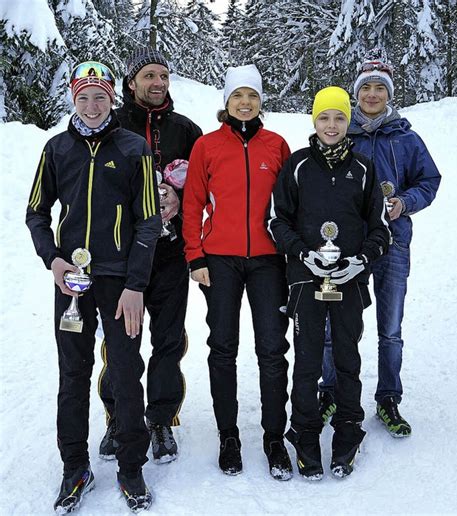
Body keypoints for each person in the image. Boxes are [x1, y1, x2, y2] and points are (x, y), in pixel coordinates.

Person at [26, 61, 161, 513]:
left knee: (125, 373)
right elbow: (37, 213)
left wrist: (136, 283)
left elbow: (149, 219)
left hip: (120, 282)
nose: (91, 105)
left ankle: (130, 467)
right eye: (83, 96)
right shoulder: (56, 148)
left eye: (99, 96)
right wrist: (54, 259)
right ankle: (74, 466)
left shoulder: (133, 148)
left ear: (111, 98)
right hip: (73, 282)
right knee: (73, 374)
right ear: (73, 99)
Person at [268, 86, 391, 479]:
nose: (332, 125)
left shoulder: (364, 168)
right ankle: (304, 434)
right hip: (306, 279)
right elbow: (277, 221)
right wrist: (304, 254)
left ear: (348, 121)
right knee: (305, 359)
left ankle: (348, 429)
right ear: (314, 121)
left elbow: (381, 228)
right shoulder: (299, 165)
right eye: (325, 117)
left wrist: (359, 261)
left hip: (349, 279)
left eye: (339, 117)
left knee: (346, 356)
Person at [319, 51, 441, 437]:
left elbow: (429, 181)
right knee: (335, 324)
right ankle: (332, 391)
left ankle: (388, 397)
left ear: (389, 94)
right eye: (366, 88)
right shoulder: (342, 132)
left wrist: (404, 202)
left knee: (390, 327)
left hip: (393, 245)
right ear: (356, 93)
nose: (372, 95)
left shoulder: (405, 138)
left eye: (380, 88)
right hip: (349, 247)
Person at [182, 65, 292, 480]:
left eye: (252, 96)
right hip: (220, 262)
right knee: (223, 349)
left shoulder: (277, 145)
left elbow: (290, 205)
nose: (245, 102)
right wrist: (196, 256)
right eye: (237, 96)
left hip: (267, 261)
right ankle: (228, 435)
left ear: (262, 102)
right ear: (226, 103)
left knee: (272, 349)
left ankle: (274, 436)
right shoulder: (207, 147)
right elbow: (192, 205)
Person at [97, 48, 202, 464]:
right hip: (121, 257)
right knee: (121, 342)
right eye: (148, 75)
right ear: (131, 81)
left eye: (163, 75)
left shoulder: (186, 130)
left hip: (171, 253)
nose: (157, 82)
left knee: (169, 339)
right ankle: (119, 418)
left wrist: (180, 197)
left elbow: (207, 187)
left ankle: (160, 418)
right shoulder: (112, 125)